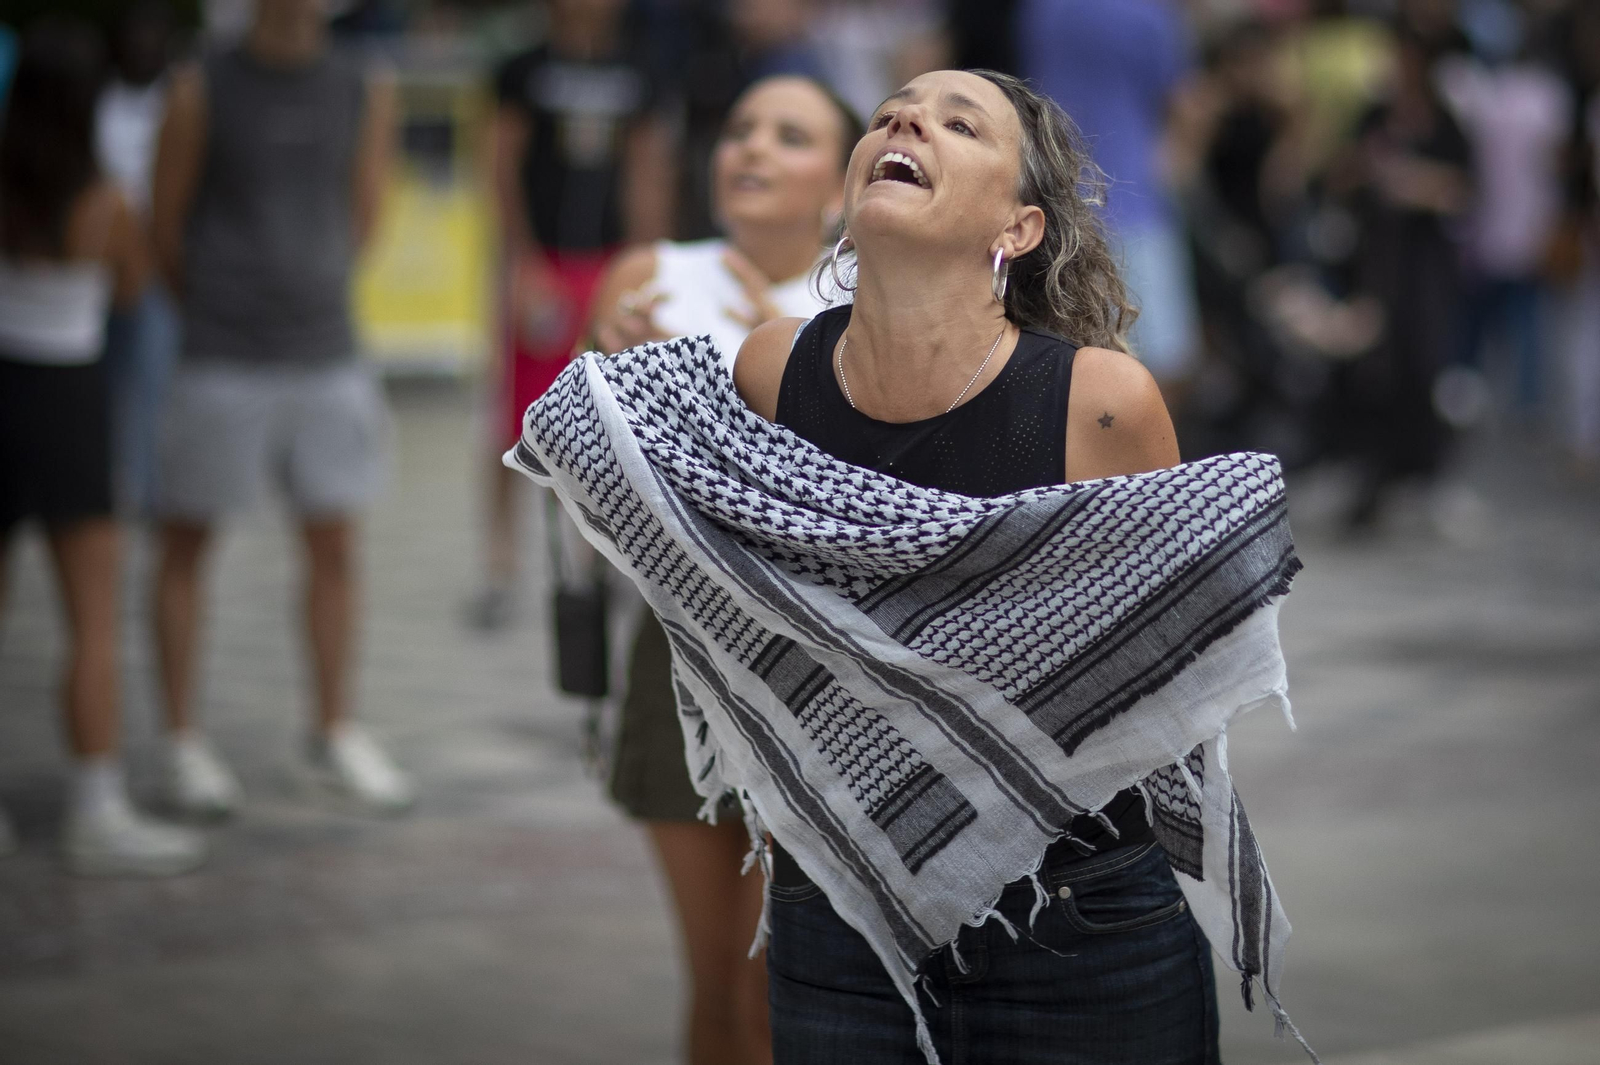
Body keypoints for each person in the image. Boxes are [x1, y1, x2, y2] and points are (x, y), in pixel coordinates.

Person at [731, 69, 1214, 1063]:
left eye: (960, 123)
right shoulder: (770, 371)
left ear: (1018, 228)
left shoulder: (1101, 404)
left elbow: (1175, 673)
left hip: (1081, 928)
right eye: (891, 113)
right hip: (838, 916)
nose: (906, 119)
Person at [585, 74, 860, 1065]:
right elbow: (581, 494)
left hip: (823, 678)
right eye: (740, 128)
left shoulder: (862, 306)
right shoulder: (647, 278)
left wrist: (755, 359)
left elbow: (855, 507)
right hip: (677, 660)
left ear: (840, 187)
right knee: (717, 990)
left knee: (783, 992)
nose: (750, 148)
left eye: (790, 136)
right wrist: (608, 380)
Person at [148, 0, 412, 816]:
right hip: (222, 347)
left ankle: (333, 727)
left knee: (334, 541)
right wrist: (220, 301)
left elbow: (366, 210)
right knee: (187, 540)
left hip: (326, 345)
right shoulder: (200, 85)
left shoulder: (364, 85)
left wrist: (314, 281)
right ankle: (181, 740)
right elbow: (165, 223)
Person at [0, 20, 206, 875]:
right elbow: (132, 293)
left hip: (2, 387)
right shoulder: (105, 202)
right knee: (90, 621)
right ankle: (96, 801)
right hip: (71, 401)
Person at [470, 0, 675, 629]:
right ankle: (500, 565)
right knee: (517, 416)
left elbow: (647, 170)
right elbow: (499, 168)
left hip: (610, 263)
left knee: (606, 418)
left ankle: (595, 565)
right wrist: (520, 264)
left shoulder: (638, 67)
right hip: (544, 264)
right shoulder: (523, 68)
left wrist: (650, 263)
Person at [1015, 0, 1204, 395]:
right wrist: (1174, 171)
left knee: (1059, 351)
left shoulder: (1043, 10)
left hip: (1053, 203)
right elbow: (1188, 106)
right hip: (1138, 205)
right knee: (1163, 357)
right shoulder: (1151, 15)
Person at [99, 0, 181, 514]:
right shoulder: (99, 99)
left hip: (152, 265)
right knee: (106, 383)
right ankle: (108, 485)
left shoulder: (179, 99)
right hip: (101, 265)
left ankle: (149, 491)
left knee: (152, 381)